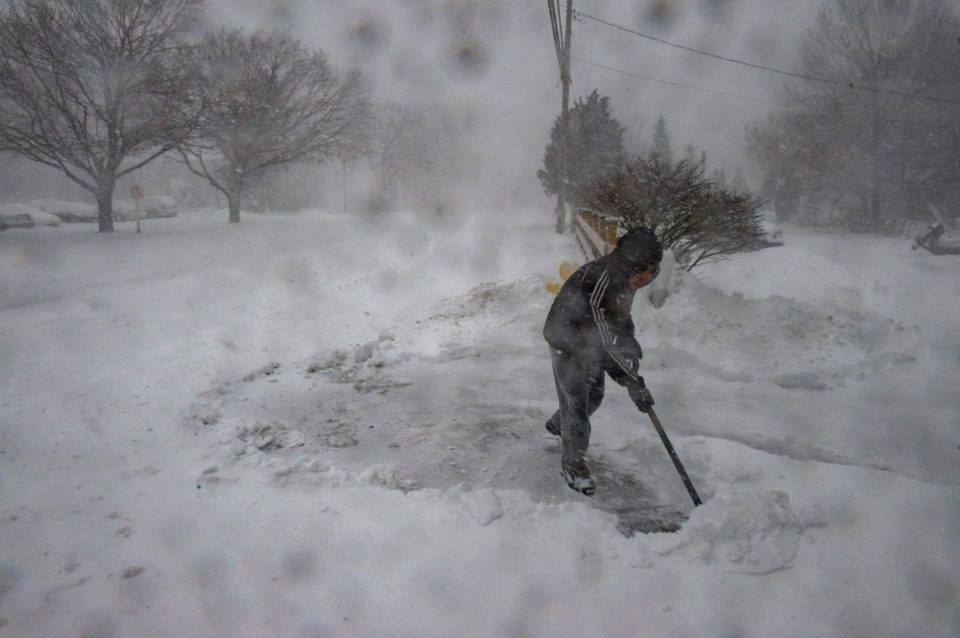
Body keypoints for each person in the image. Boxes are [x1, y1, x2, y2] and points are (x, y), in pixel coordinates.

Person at [543, 226, 663, 495]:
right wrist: (633, 382)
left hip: (589, 339)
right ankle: (573, 465)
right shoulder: (599, 283)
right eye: (643, 272)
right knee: (577, 404)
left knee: (594, 396)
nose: (647, 278)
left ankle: (557, 425)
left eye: (653, 272)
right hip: (566, 339)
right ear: (629, 265)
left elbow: (619, 319)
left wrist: (629, 346)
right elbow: (606, 340)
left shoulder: (626, 279)